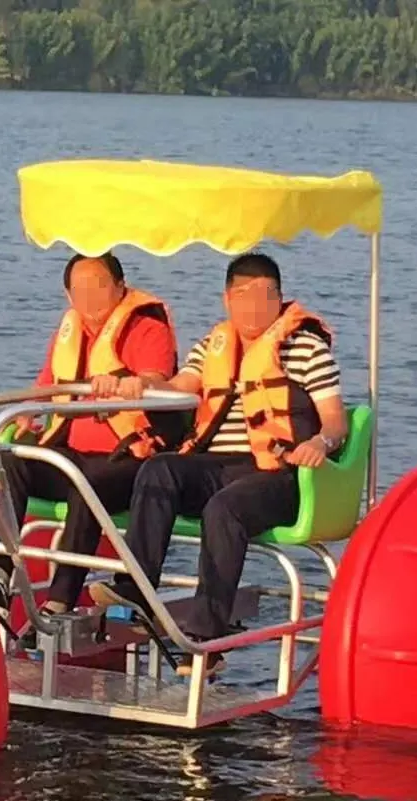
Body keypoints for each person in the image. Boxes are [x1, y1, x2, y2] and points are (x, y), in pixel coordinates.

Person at [89, 252, 348, 676]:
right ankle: (135, 592)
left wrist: (321, 441)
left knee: (225, 507)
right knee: (160, 469)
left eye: (266, 297)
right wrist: (138, 384)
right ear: (228, 299)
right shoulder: (214, 344)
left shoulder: (305, 348)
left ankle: (208, 642)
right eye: (244, 297)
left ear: (280, 299)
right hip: (218, 465)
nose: (254, 307)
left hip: (281, 473)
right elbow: (175, 387)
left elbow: (335, 419)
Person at [0, 251, 178, 626]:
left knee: (88, 483)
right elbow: (46, 387)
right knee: (10, 462)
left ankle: (60, 600)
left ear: (120, 287)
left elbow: (158, 378)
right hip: (69, 451)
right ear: (68, 295)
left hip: (128, 459)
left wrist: (136, 384)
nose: (89, 295)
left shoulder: (147, 328)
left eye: (99, 285)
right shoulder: (68, 332)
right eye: (80, 288)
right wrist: (27, 412)